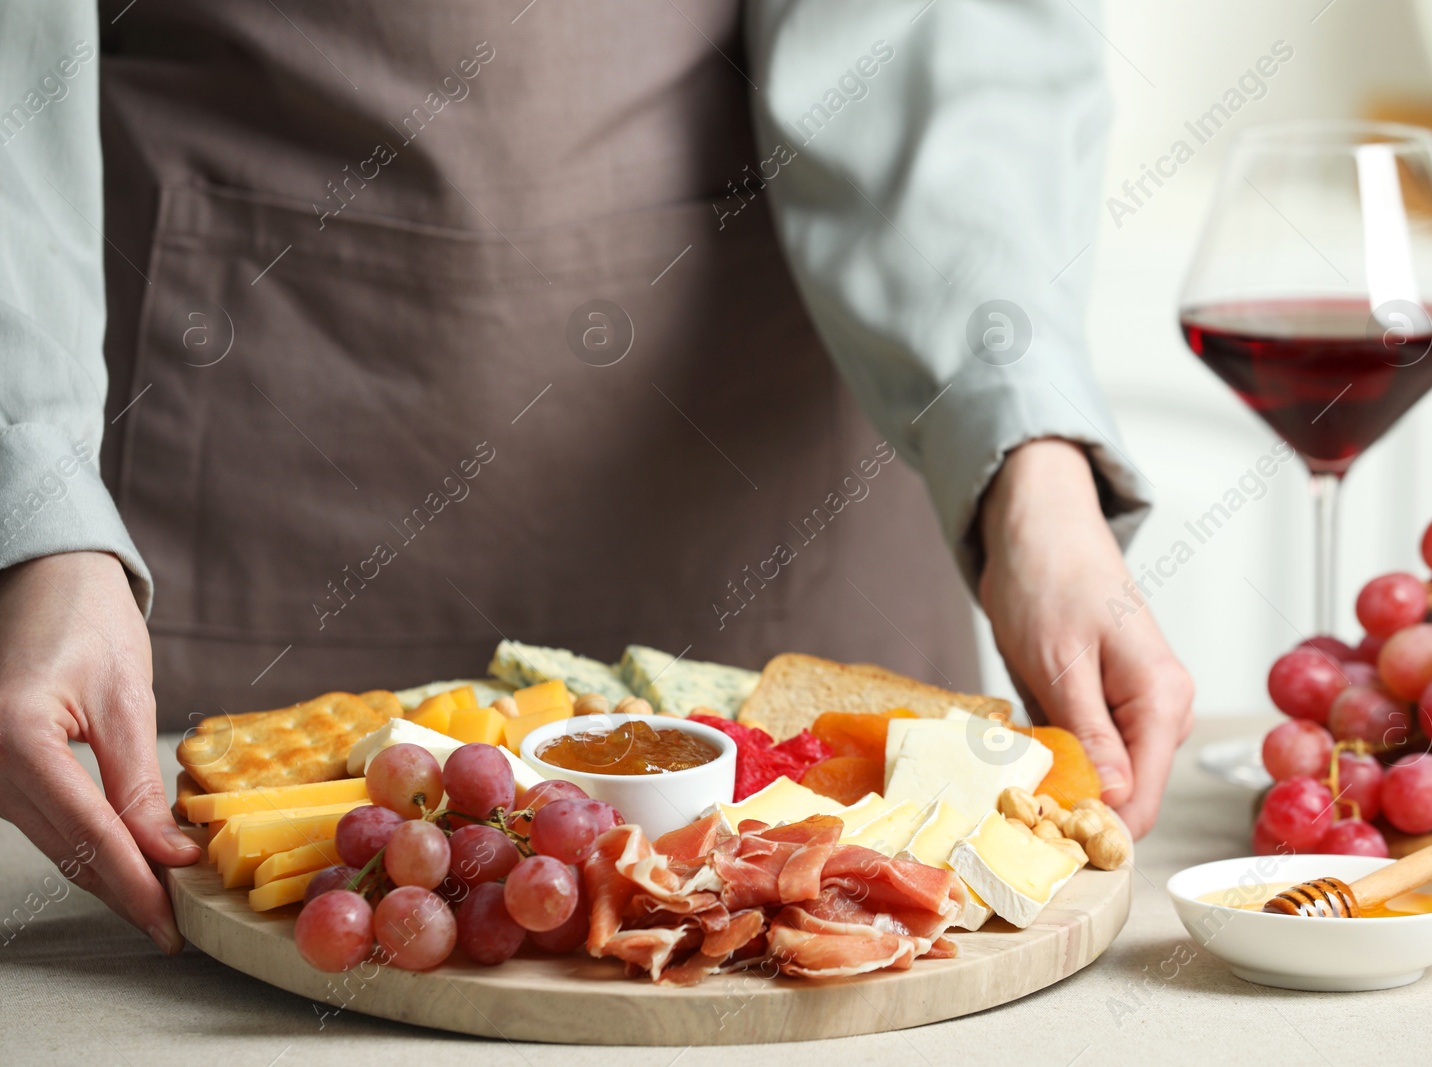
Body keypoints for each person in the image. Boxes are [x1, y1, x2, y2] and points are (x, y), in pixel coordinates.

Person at [0, 1, 1192, 955]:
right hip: (265, 478)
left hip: (783, 493)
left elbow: (947, 27)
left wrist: (1026, 464)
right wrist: (30, 500)